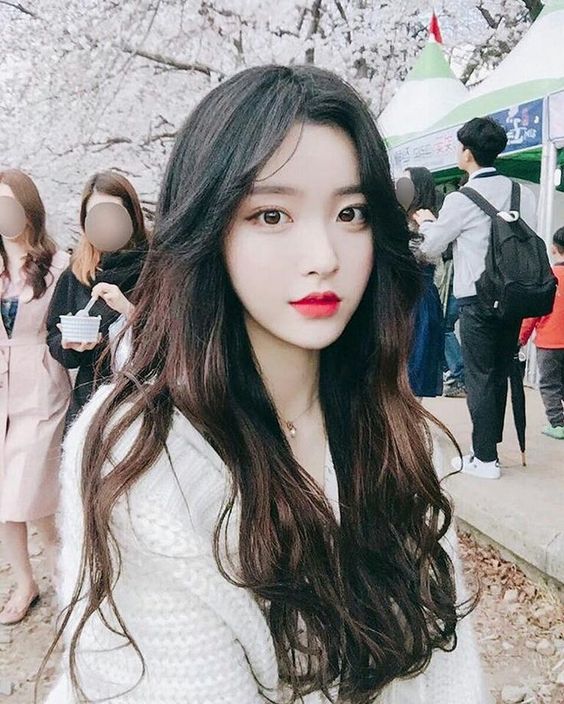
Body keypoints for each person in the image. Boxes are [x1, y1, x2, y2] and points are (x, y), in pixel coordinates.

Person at [44, 66, 487, 704]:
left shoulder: (393, 425)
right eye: (272, 214)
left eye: (351, 212)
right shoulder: (145, 460)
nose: (324, 256)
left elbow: (449, 673)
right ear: (207, 226)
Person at [414, 117, 537, 480]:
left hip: (477, 300)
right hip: (513, 297)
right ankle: (489, 448)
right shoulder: (522, 194)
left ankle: (484, 459)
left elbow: (431, 247)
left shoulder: (460, 198)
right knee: (498, 373)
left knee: (479, 376)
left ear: (467, 153)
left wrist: (426, 222)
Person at [0, 169, 71, 625]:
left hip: (42, 383)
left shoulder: (57, 265)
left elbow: (66, 324)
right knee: (3, 495)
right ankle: (24, 582)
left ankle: (64, 577)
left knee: (33, 491)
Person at [46, 172, 148, 426]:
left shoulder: (157, 267)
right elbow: (54, 336)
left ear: (131, 216)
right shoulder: (78, 272)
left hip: (147, 402)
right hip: (90, 404)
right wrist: (70, 346)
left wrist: (128, 309)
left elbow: (176, 338)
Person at [519, 227, 564, 439]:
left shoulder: (546, 277)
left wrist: (521, 337)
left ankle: (558, 424)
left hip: (549, 343)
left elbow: (532, 313)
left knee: (550, 384)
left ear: (554, 249)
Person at [403, 167, 444, 398]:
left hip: (418, 299)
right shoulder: (394, 217)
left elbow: (431, 254)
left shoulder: (428, 222)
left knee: (415, 368)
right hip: (397, 296)